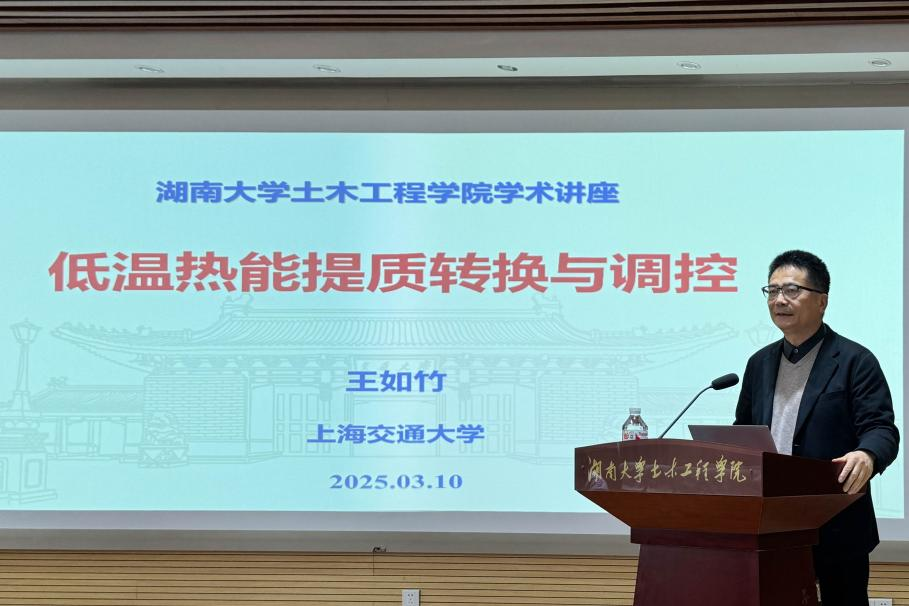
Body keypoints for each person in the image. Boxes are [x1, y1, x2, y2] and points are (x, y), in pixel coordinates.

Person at [735, 250, 899, 606]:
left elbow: (882, 428)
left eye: (792, 290)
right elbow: (742, 432)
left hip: (837, 523)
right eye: (772, 290)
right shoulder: (758, 364)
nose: (779, 300)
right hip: (769, 525)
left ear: (822, 301)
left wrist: (867, 454)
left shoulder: (855, 361)